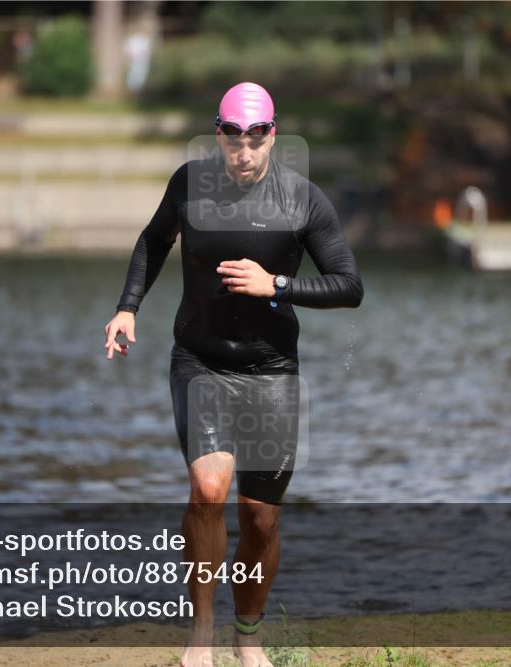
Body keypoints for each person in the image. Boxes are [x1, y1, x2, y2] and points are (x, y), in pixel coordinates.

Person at [103, 82, 363, 667]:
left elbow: (350, 285)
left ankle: (247, 636)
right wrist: (127, 307)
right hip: (199, 359)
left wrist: (277, 285)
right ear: (217, 133)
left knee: (260, 519)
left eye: (256, 138)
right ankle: (201, 635)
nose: (243, 152)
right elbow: (153, 241)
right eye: (232, 138)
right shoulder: (189, 185)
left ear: (273, 135)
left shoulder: (303, 200)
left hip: (271, 369)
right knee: (208, 489)